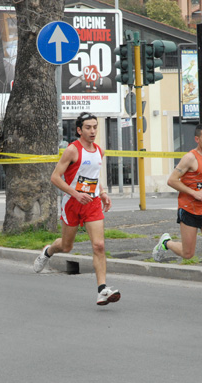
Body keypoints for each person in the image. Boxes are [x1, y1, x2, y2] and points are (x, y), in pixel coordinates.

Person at [33, 112, 120, 306]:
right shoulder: (72, 150)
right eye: (88, 127)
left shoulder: (99, 151)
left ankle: (102, 290)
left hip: (92, 203)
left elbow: (94, 176)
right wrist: (75, 194)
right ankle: (48, 252)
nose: (92, 131)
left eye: (95, 127)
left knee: (99, 245)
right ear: (79, 130)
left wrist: (103, 192)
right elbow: (55, 177)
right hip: (72, 203)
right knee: (66, 246)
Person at [152, 123, 202, 304]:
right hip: (189, 210)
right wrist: (193, 193)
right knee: (188, 254)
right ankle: (166, 242)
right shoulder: (189, 158)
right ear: (197, 139)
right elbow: (172, 181)